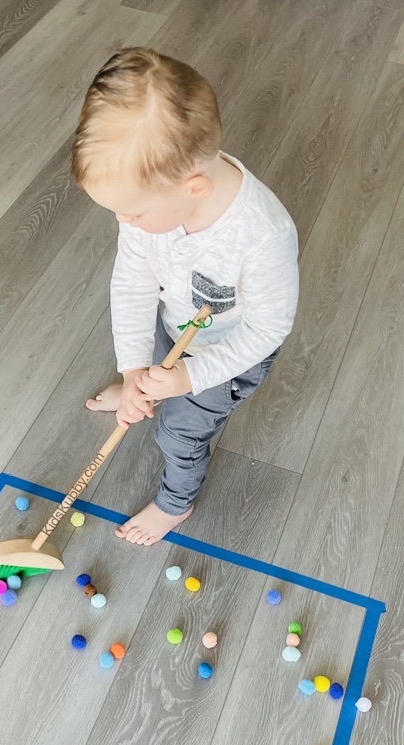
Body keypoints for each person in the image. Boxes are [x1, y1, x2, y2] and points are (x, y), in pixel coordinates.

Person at [71, 48, 299, 545]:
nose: (122, 222)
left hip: (228, 355)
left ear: (193, 188)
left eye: (132, 214)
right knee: (151, 366)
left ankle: (175, 503)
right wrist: (134, 371)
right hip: (174, 323)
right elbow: (132, 282)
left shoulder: (262, 235)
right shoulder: (149, 207)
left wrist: (188, 377)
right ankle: (143, 389)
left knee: (180, 432)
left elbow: (267, 328)